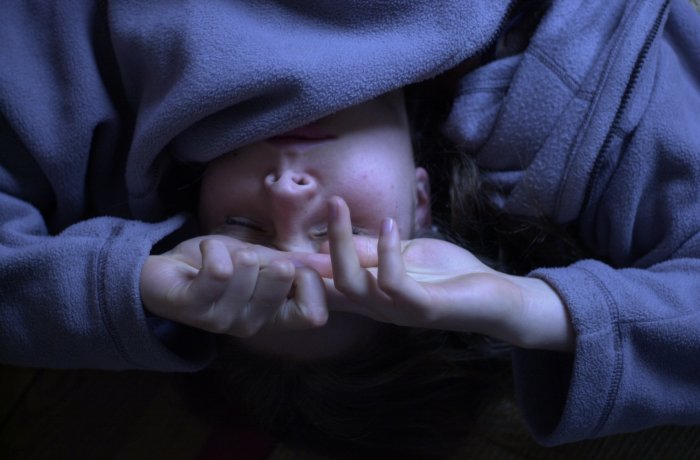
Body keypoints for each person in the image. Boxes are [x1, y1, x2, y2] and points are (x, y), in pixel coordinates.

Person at [2, 0, 700, 455]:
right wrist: (531, 309)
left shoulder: (97, 115)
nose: (286, 193)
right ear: (423, 208)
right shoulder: (581, 125)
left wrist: (129, 289)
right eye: (341, 239)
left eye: (243, 227)